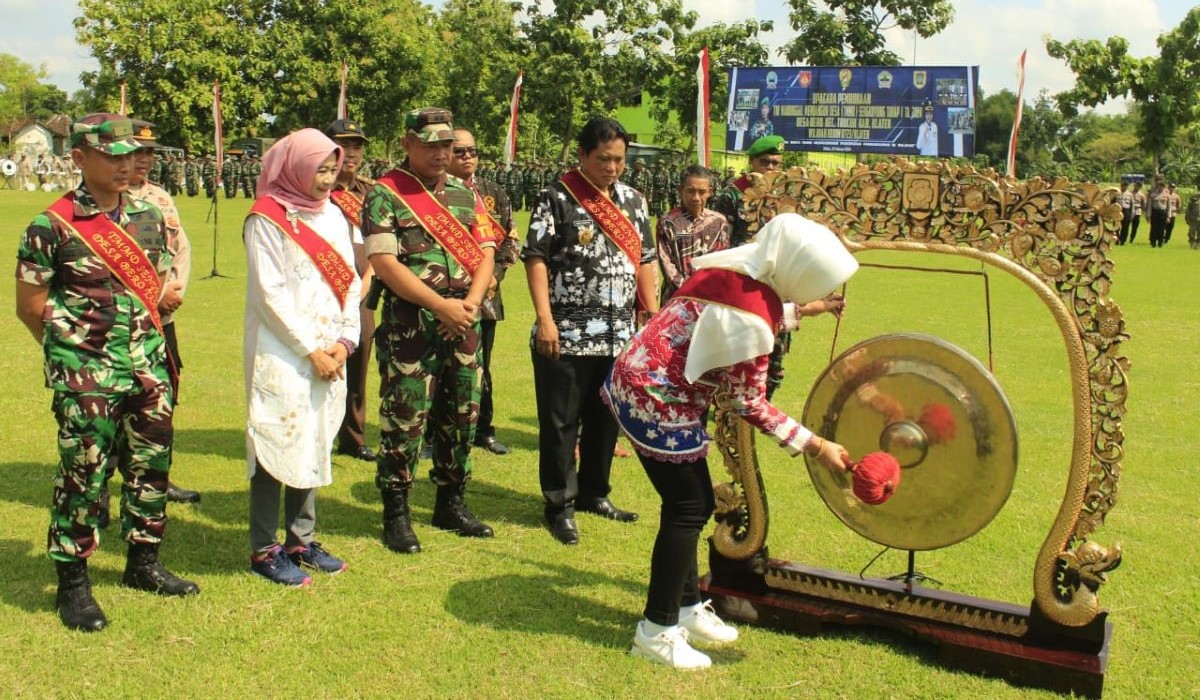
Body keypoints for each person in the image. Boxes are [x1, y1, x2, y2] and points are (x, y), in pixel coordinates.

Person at [601, 213, 856, 669]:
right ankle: (657, 631)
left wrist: (805, 312)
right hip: (655, 399)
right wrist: (816, 445)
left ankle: (684, 607)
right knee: (689, 508)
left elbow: (737, 311)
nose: (816, 289)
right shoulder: (751, 319)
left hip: (639, 378)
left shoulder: (734, 268)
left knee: (690, 503)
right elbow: (747, 402)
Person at [16, 113, 200, 632]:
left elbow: (160, 283)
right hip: (87, 375)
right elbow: (30, 307)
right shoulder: (50, 226)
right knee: (84, 473)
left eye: (129, 155)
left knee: (151, 464)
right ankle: (73, 582)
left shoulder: (149, 214)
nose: (126, 164)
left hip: (147, 365)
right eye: (112, 156)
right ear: (79, 158)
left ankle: (144, 562)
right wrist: (76, 360)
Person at [363, 107, 498, 554]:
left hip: (464, 322)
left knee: (462, 414)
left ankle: (450, 502)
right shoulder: (385, 194)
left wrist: (471, 305)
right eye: (431, 145)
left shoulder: (465, 193)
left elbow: (485, 254)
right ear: (407, 144)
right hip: (411, 326)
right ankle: (396, 512)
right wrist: (441, 304)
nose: (441, 153)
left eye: (447, 145)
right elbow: (383, 263)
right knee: (406, 418)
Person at [523, 115, 658, 546]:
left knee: (606, 420)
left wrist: (650, 313)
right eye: (604, 159)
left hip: (619, 335)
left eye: (619, 160)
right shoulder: (556, 197)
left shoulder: (635, 202)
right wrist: (545, 319)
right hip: (566, 333)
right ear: (583, 155)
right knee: (562, 422)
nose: (613, 168)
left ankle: (595, 492)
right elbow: (537, 258)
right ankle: (559, 505)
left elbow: (647, 259)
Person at [243, 129, 361, 586]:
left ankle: (300, 539)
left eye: (333, 170)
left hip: (329, 349)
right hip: (282, 352)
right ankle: (263, 547)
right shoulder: (266, 219)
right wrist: (309, 350)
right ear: (295, 167)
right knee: (277, 442)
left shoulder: (334, 214)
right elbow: (268, 294)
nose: (328, 179)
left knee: (313, 437)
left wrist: (343, 342)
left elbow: (351, 280)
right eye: (320, 170)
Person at [120, 120, 202, 510]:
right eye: (137, 150)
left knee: (162, 397)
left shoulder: (161, 197)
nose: (144, 159)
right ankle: (109, 479)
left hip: (163, 320)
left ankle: (156, 476)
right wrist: (156, 296)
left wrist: (175, 291)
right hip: (122, 323)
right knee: (118, 403)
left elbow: (179, 249)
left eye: (149, 152)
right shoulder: (106, 199)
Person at [448, 127, 520, 456]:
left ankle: (483, 429)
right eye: (460, 151)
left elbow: (510, 240)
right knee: (442, 367)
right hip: (445, 295)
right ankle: (438, 433)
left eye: (472, 151)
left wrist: (497, 274)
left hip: (487, 297)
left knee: (482, 364)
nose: (468, 157)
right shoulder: (434, 194)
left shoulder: (493, 193)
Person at [324, 118, 378, 463]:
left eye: (358, 145)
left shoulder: (370, 192)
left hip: (364, 288)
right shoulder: (316, 192)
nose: (353, 153)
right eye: (345, 145)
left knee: (359, 362)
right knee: (324, 361)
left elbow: (383, 241)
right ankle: (321, 433)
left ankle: (353, 437)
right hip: (324, 288)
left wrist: (369, 278)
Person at [656, 165, 730, 305]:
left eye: (701, 192)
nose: (696, 198)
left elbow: (723, 259)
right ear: (679, 190)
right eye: (690, 191)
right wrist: (688, 290)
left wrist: (708, 291)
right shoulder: (668, 223)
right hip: (676, 298)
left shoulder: (719, 221)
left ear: (710, 192)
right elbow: (666, 263)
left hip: (710, 298)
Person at [1148, 178, 1170, 248]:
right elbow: (1149, 205)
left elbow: (1169, 207)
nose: (1161, 187)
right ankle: (1153, 242)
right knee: (1154, 228)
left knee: (1162, 229)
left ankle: (1160, 243)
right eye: (1160, 186)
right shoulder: (1153, 194)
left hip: (1163, 213)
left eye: (1162, 186)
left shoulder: (1167, 195)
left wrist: (1168, 216)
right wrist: (1148, 215)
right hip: (1155, 212)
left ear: (1164, 187)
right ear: (1158, 186)